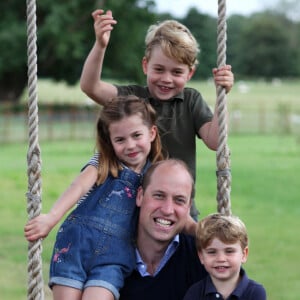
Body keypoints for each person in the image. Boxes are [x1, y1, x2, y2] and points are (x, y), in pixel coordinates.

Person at [80, 9, 234, 220]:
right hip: (133, 212)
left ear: (190, 73)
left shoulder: (191, 101)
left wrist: (221, 95)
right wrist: (100, 45)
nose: (167, 79)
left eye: (177, 72)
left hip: (180, 211)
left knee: (188, 251)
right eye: (159, 69)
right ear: (145, 65)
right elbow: (91, 87)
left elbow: (216, 141)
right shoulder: (132, 98)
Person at [24, 95, 164, 300]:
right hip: (75, 246)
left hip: (114, 258)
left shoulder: (156, 174)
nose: (130, 145)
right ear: (110, 141)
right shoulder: (104, 162)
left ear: (151, 133)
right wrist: (51, 218)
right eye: (120, 139)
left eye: (136, 135)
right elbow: (78, 186)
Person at [118, 158, 208, 300]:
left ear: (188, 207)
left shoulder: (205, 258)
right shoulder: (108, 254)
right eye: (159, 196)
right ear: (140, 196)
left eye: (179, 200)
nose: (167, 210)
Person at [183, 213, 267, 300]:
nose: (220, 259)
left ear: (244, 254)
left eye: (229, 251)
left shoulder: (255, 292)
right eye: (212, 252)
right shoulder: (194, 293)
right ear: (201, 256)